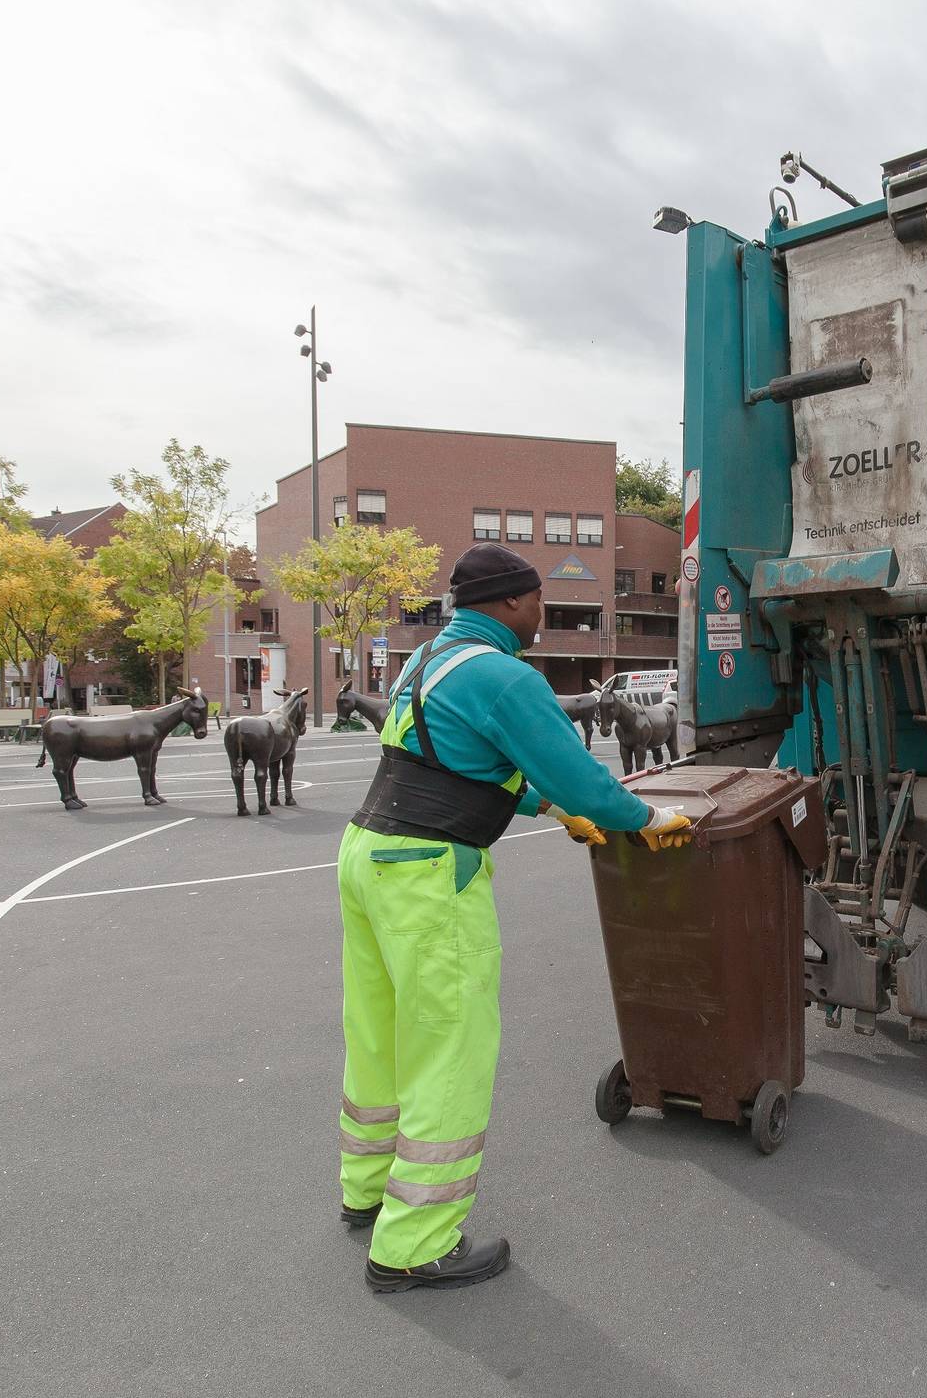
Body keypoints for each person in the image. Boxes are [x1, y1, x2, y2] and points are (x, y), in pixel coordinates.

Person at [336, 542, 693, 1293]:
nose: (542, 613)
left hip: (368, 854)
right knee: (450, 1048)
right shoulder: (506, 676)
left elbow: (442, 754)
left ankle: (366, 1190)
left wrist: (540, 806)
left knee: (378, 1033)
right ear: (508, 602)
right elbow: (586, 779)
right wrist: (642, 814)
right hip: (430, 873)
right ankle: (415, 1244)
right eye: (537, 600)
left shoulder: (426, 659)